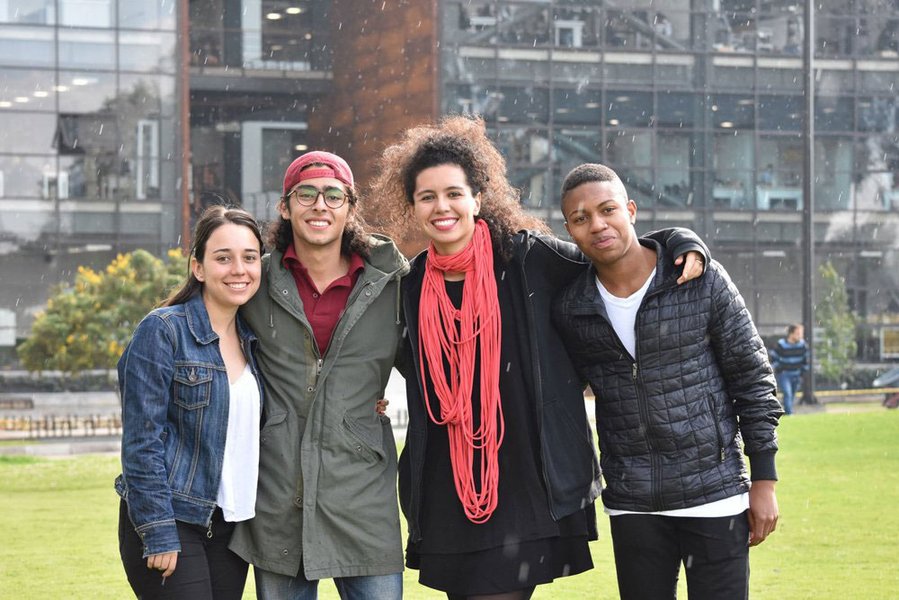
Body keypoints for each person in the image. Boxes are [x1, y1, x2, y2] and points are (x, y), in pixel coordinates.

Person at [370, 116, 709, 600]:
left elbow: (613, 253)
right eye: (427, 197)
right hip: (447, 487)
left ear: (478, 199)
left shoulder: (531, 260)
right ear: (413, 207)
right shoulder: (409, 285)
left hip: (527, 483)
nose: (442, 207)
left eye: (454, 193)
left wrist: (678, 240)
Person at [552, 163, 783, 600]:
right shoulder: (571, 306)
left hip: (715, 493)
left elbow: (752, 380)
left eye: (608, 210)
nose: (597, 225)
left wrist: (764, 481)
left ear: (631, 210)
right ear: (569, 229)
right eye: (581, 219)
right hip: (632, 502)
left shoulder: (699, 279)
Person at [228, 151, 407, 599]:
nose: (319, 205)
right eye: (305, 194)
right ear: (285, 208)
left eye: (333, 195)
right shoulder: (254, 280)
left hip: (363, 495)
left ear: (351, 206)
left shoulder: (394, 282)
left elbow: (436, 368)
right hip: (278, 496)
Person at [116, 205, 265, 599]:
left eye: (249, 258)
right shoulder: (163, 330)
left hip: (230, 525)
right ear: (198, 267)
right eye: (223, 258)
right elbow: (141, 442)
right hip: (173, 519)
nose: (239, 269)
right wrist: (158, 529)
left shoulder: (255, 341)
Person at [770, 323, 810, 415]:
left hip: (796, 374)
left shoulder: (803, 345)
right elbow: (774, 358)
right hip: (784, 374)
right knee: (787, 393)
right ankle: (789, 413)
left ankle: (787, 410)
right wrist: (776, 367)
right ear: (791, 334)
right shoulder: (781, 344)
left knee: (791, 394)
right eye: (798, 333)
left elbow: (805, 359)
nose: (800, 336)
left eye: (801, 333)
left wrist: (803, 372)